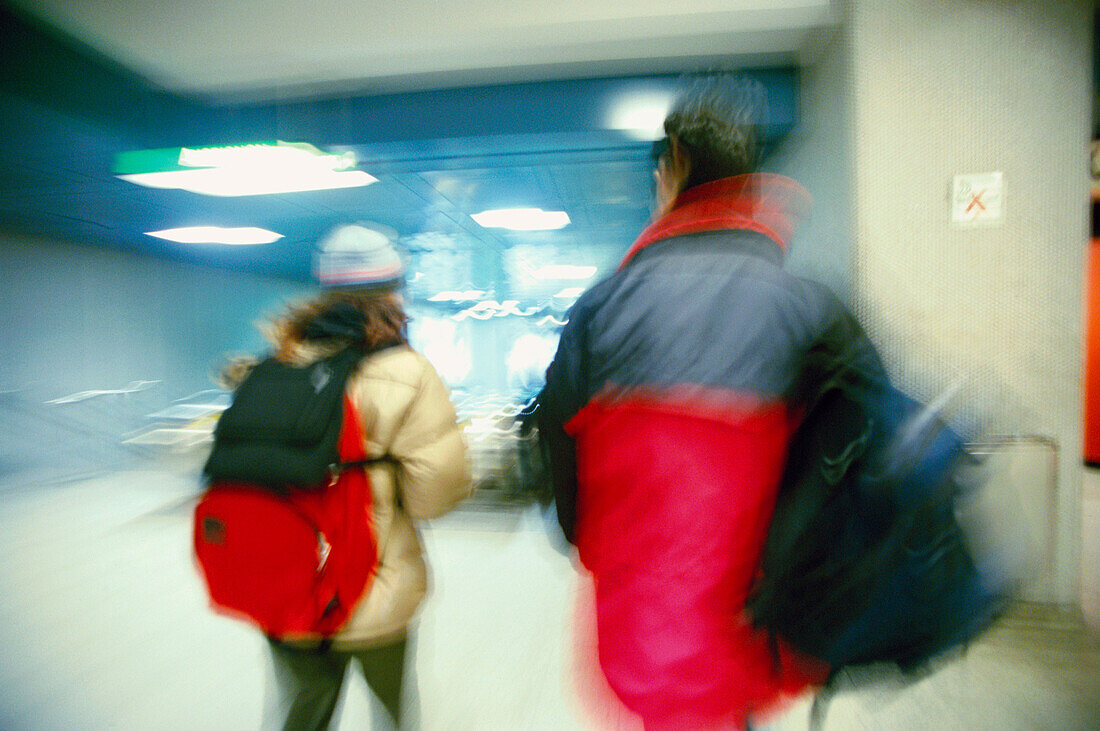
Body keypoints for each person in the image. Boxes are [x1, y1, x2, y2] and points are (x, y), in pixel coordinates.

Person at [538, 74, 885, 729]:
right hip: (768, 606)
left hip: (641, 611)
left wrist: (591, 541)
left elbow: (558, 453)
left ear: (673, 169)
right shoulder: (810, 306)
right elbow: (868, 437)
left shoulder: (603, 310)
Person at [224, 223, 470, 730]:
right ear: (393, 290)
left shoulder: (274, 366)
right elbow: (435, 492)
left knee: (302, 716)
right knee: (392, 714)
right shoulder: (407, 371)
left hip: (286, 582)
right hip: (371, 587)